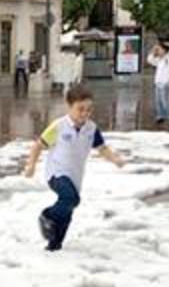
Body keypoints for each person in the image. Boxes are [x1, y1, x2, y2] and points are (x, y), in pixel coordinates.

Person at [23, 85, 126, 252]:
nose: (85, 114)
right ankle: (47, 216)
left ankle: (54, 246)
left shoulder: (91, 129)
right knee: (72, 199)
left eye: (89, 110)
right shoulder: (59, 126)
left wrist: (115, 159)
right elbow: (37, 146)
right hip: (56, 174)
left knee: (68, 211)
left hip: (75, 177)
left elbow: (102, 148)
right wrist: (31, 166)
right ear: (69, 106)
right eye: (80, 109)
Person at [149, 43, 169, 125]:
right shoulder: (160, 59)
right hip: (158, 83)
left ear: (164, 50)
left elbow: (168, 72)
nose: (158, 51)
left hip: (165, 84)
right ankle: (160, 117)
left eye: (159, 49)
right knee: (158, 101)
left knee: (165, 101)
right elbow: (150, 60)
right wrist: (153, 51)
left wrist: (165, 82)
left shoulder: (168, 59)